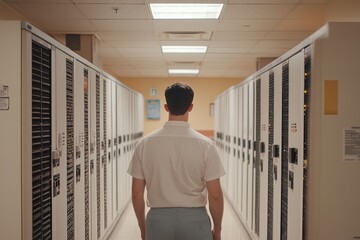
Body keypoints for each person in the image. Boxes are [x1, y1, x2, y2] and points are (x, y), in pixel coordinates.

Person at [127, 82, 225, 240]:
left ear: (166, 107)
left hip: (157, 222)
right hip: (196, 222)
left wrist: (143, 228)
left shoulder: (145, 144)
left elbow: (136, 194)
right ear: (190, 107)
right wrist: (217, 230)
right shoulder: (206, 145)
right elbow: (215, 195)